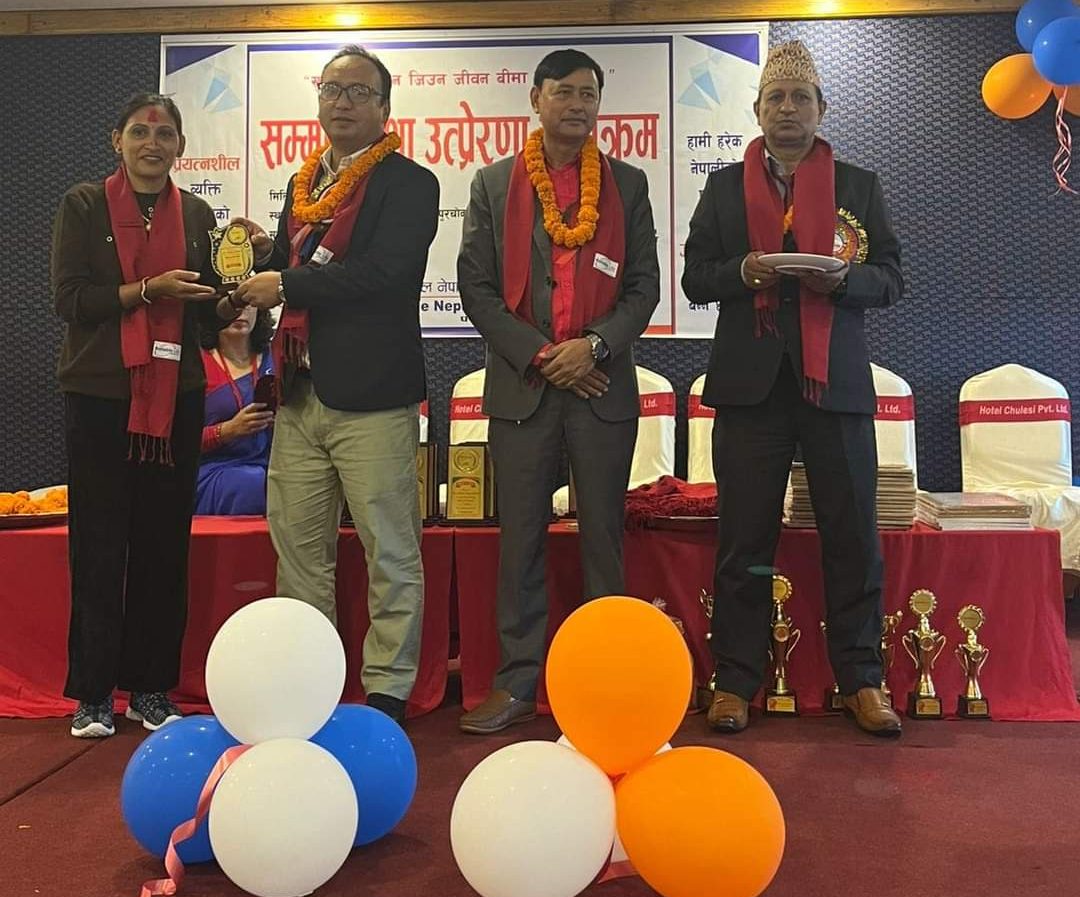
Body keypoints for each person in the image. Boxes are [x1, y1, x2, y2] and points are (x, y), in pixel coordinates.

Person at [681, 40, 905, 738]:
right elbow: (695, 277)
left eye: (799, 98)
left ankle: (861, 680)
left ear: (821, 109)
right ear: (757, 111)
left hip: (833, 384)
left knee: (852, 536)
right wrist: (741, 273)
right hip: (750, 389)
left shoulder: (858, 186)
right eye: (775, 98)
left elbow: (891, 278)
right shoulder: (724, 188)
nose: (787, 109)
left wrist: (845, 280)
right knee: (744, 539)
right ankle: (734, 681)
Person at [229, 45, 439, 726]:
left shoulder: (410, 183)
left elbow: (383, 274)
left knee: (390, 549)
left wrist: (286, 281)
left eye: (359, 91)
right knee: (299, 553)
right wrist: (269, 254)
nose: (342, 102)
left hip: (373, 396)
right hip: (299, 392)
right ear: (318, 100)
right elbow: (306, 267)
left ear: (385, 107)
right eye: (332, 89)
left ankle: (387, 690)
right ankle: (306, 682)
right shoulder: (305, 184)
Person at [456, 48, 660, 734]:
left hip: (602, 387)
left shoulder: (628, 184)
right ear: (536, 99)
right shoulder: (493, 184)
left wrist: (593, 347)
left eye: (588, 95)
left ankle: (607, 683)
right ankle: (516, 683)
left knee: (603, 541)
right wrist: (545, 356)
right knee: (520, 545)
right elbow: (477, 289)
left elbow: (644, 287)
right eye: (564, 92)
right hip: (524, 390)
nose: (577, 105)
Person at [52, 93, 229, 738]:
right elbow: (71, 300)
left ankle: (152, 688)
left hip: (175, 398)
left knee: (163, 547)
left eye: (164, 134)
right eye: (139, 132)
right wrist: (148, 291)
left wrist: (238, 290)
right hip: (101, 395)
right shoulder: (83, 204)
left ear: (180, 145)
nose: (152, 144)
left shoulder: (199, 214)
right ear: (117, 140)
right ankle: (94, 693)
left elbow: (205, 319)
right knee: (98, 547)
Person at [195, 305, 275, 515]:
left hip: (276, 463)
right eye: (233, 302)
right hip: (216, 467)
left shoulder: (277, 357)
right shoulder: (196, 364)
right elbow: (178, 442)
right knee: (252, 483)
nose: (241, 310)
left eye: (249, 302)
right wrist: (227, 430)